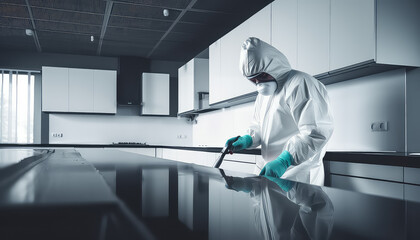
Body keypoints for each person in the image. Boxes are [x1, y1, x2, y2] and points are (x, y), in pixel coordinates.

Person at [225, 37, 334, 185]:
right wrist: (247, 139)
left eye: (262, 76)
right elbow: (259, 126)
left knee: (296, 208)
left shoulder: (300, 84)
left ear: (273, 66)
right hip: (271, 170)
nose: (259, 83)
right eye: (253, 79)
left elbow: (316, 132)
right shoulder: (263, 96)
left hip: (298, 173)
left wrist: (284, 160)